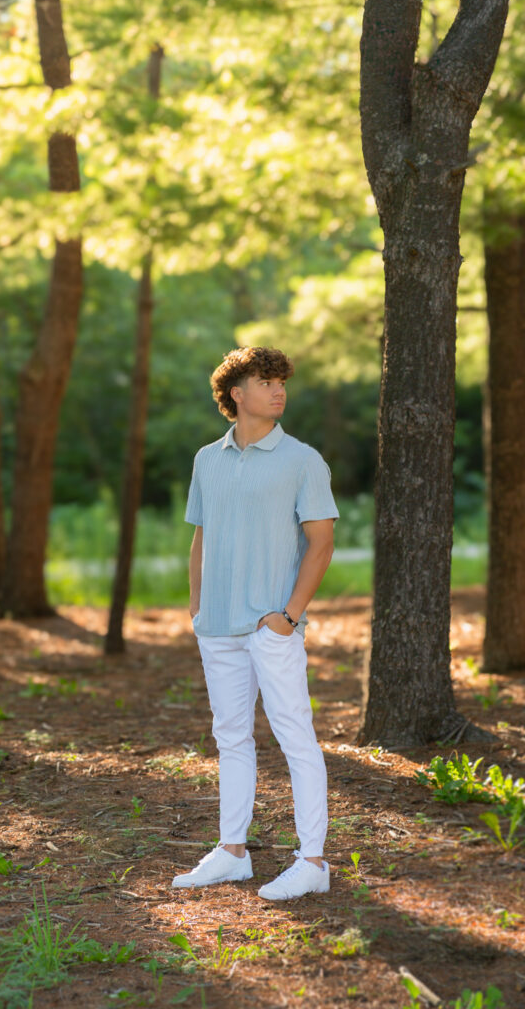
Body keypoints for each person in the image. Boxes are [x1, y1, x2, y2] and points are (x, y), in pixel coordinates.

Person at [172, 346, 339, 900]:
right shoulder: (206, 460)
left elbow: (321, 544)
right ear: (236, 394)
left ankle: (312, 861)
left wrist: (288, 616)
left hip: (273, 629)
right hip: (217, 627)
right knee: (231, 738)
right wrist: (199, 610)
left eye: (281, 381)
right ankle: (232, 852)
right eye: (265, 381)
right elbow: (200, 536)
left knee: (296, 738)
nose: (278, 390)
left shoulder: (302, 460)